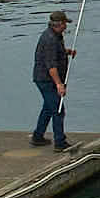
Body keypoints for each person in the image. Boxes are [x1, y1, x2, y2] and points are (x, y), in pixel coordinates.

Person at [31, 10, 77, 151]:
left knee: (48, 107)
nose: (66, 27)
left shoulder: (56, 36)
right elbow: (51, 66)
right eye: (65, 24)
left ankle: (38, 137)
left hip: (46, 79)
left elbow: (55, 53)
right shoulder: (50, 39)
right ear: (59, 24)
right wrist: (59, 84)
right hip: (46, 80)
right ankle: (59, 142)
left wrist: (66, 52)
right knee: (58, 109)